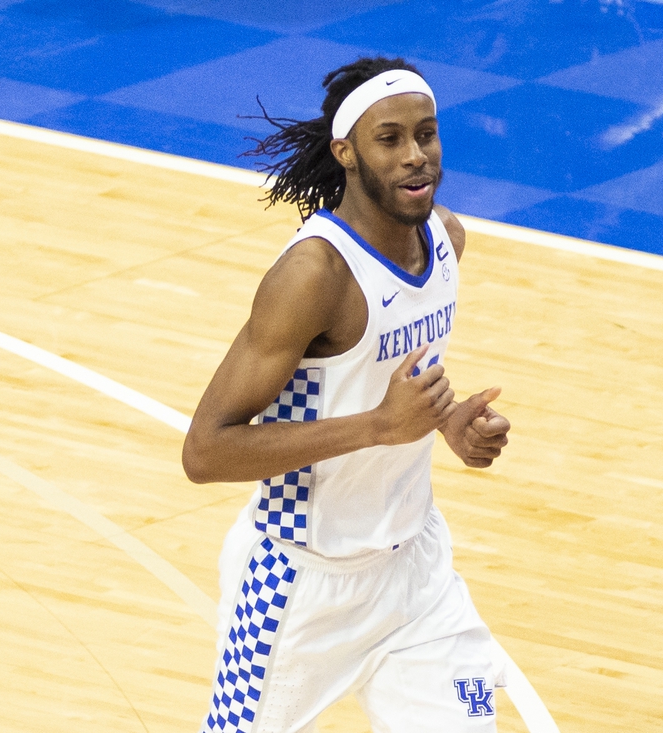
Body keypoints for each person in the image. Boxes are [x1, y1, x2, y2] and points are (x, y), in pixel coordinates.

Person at [182, 56, 512, 733]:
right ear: (346, 152)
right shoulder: (314, 275)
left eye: (427, 134)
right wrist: (380, 427)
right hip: (298, 588)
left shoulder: (445, 240)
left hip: (417, 575)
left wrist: (447, 422)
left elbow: (391, 375)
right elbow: (205, 451)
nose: (417, 156)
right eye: (390, 139)